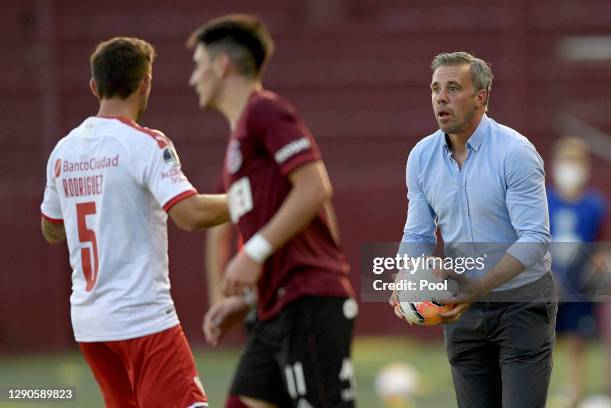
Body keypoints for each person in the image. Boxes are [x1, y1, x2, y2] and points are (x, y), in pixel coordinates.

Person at [40, 37, 229, 408]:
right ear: (146, 82)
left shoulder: (63, 151)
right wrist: (251, 199)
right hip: (142, 319)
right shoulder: (145, 144)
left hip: (91, 325)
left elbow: (51, 229)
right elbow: (190, 215)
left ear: (95, 87)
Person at [187, 14, 357, 408]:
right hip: (272, 308)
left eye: (197, 66)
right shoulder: (240, 139)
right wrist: (245, 301)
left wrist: (253, 252)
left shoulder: (265, 110)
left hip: (308, 301)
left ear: (221, 65)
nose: (192, 79)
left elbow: (315, 188)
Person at [394, 51, 556, 407]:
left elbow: (536, 239)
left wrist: (478, 287)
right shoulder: (421, 157)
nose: (441, 97)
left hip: (521, 303)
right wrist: (404, 277)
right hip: (463, 311)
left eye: (453, 88)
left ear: (481, 97)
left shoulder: (515, 152)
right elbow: (418, 235)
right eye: (436, 88)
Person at [548, 137, 607, 406]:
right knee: (539, 340)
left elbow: (600, 246)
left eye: (576, 162)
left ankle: (576, 390)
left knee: (577, 340)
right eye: (565, 161)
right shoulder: (544, 201)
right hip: (548, 282)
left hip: (579, 285)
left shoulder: (595, 204)